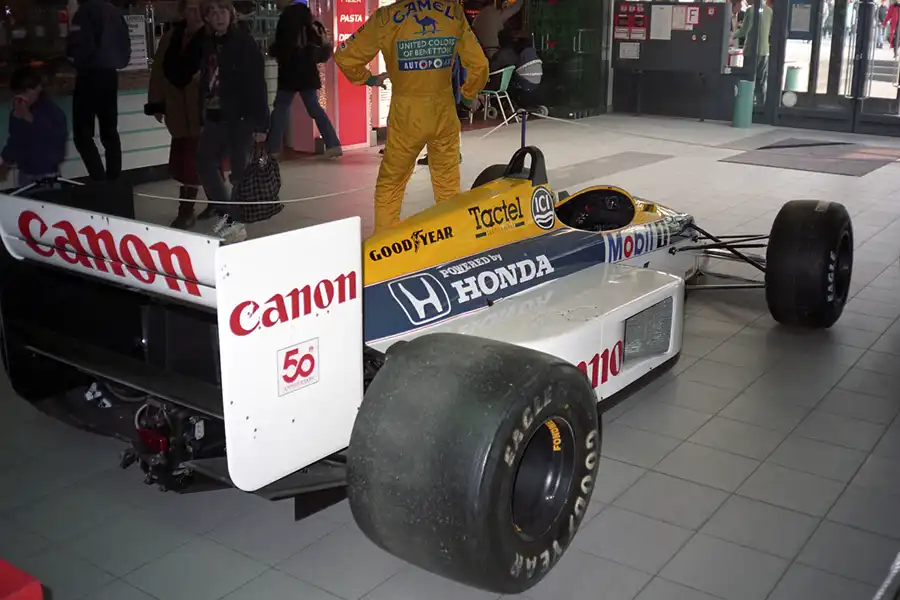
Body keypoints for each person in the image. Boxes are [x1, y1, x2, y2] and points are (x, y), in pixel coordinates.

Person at [334, 0, 489, 233]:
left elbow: (345, 56)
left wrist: (368, 79)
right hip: (443, 112)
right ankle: (453, 240)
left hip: (406, 115)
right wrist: (469, 94)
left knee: (391, 185)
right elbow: (479, 64)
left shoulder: (385, 17)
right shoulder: (453, 12)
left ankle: (385, 248)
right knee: (447, 185)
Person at [196, 0, 270, 243]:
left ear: (231, 14)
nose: (218, 17)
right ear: (206, 18)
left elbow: (258, 85)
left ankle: (233, 223)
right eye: (212, 12)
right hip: (214, 115)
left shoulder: (244, 43)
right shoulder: (208, 43)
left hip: (240, 118)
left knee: (239, 173)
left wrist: (261, 126)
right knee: (205, 164)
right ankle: (231, 219)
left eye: (222, 11)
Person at [146, 0, 208, 230]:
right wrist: (156, 102)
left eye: (199, 9)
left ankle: (187, 211)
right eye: (191, 9)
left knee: (196, 162)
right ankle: (212, 205)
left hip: (203, 111)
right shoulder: (172, 36)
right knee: (188, 161)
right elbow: (159, 71)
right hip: (178, 110)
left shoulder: (212, 37)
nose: (195, 14)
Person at [66, 0, 131, 181]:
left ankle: (99, 182)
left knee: (83, 134)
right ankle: (113, 181)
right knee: (109, 132)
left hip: (89, 76)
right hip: (110, 77)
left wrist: (71, 60)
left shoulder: (85, 12)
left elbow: (78, 48)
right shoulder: (115, 11)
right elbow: (125, 51)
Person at [267, 0, 342, 159]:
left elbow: (282, 45)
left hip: (289, 71)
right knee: (314, 108)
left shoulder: (286, 18)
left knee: (280, 109)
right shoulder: (307, 16)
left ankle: (273, 150)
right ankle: (333, 144)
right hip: (307, 70)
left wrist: (272, 50)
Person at [0, 65, 68, 187]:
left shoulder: (51, 111)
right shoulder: (18, 112)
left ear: (38, 89)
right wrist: (6, 163)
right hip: (25, 172)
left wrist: (29, 118)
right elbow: (15, 139)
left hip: (47, 173)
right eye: (17, 93)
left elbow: (53, 137)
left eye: (25, 92)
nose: (22, 97)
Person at [733, 0, 772, 105]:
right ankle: (761, 105)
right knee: (761, 80)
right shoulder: (769, 11)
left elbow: (744, 30)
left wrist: (731, 36)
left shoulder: (750, 10)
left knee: (748, 80)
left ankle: (746, 106)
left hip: (751, 49)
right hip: (764, 50)